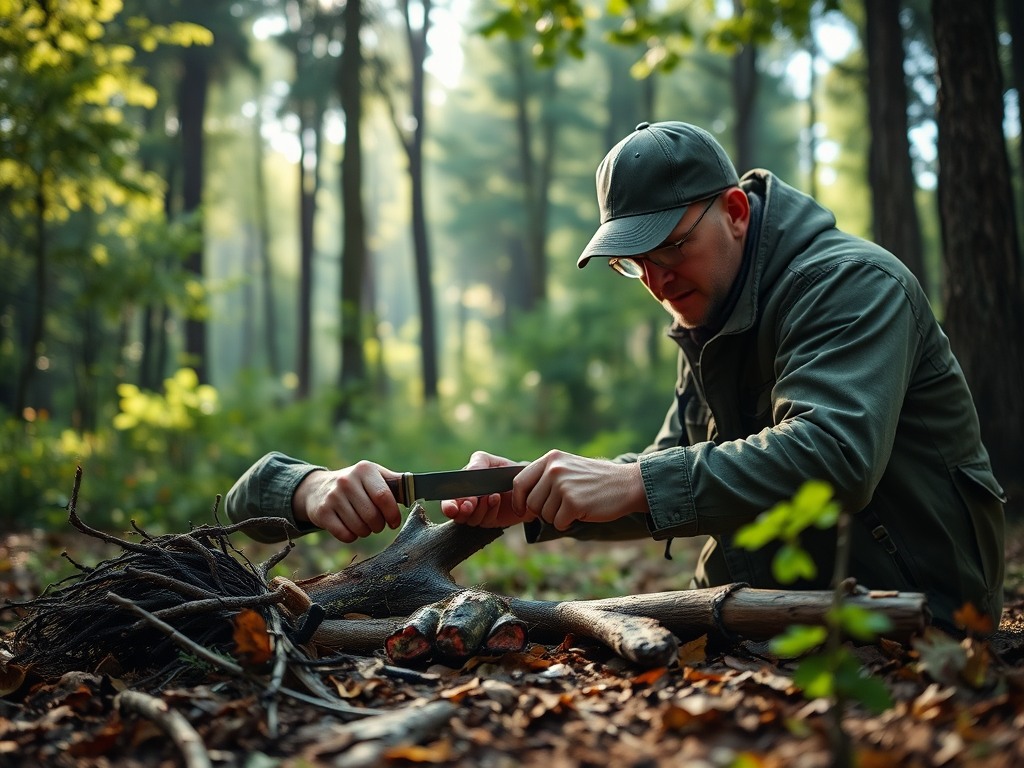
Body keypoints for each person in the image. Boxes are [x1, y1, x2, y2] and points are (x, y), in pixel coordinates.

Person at [226, 121, 1006, 630]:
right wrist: (529, 493)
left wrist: (633, 485)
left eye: (670, 251)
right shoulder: (712, 310)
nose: (657, 279)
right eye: (636, 264)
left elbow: (835, 456)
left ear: (735, 210)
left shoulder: (846, 284)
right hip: (775, 611)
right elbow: (658, 470)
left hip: (915, 611)